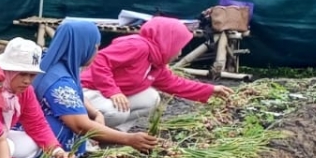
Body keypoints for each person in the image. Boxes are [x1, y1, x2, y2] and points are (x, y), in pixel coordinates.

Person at [33, 20, 161, 154]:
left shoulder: (52, 62)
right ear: (83, 47)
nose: (96, 51)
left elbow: (76, 94)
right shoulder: (59, 83)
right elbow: (80, 125)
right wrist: (129, 139)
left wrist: (95, 112)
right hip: (44, 143)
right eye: (96, 47)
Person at [82, 16, 232, 131]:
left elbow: (175, 84)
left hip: (104, 95)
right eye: (178, 47)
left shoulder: (156, 62)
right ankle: (84, 134)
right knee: (117, 112)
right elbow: (100, 60)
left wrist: (211, 90)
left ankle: (113, 133)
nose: (179, 53)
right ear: (168, 41)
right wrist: (112, 91)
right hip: (87, 91)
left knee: (151, 98)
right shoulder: (137, 46)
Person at [0, 38, 75, 158]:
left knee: (32, 144)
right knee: (7, 147)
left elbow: (36, 124)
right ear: (7, 71)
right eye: (22, 74)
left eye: (32, 75)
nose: (27, 81)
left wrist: (58, 152)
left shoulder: (24, 92)